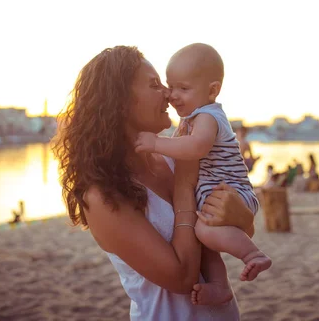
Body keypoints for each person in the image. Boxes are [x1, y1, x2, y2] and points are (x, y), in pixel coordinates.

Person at [52, 46, 254, 320]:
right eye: (155, 84)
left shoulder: (174, 156)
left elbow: (241, 231)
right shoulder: (102, 195)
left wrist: (241, 214)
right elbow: (182, 278)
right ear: (120, 102)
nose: (168, 94)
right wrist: (184, 187)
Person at [134, 43, 272, 305]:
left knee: (206, 233)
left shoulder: (208, 116)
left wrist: (155, 143)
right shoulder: (192, 119)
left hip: (231, 191)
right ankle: (220, 286)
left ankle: (253, 256)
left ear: (212, 90)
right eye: (170, 85)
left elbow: (196, 147)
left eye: (183, 88)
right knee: (205, 245)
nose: (172, 95)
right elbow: (182, 150)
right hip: (216, 195)